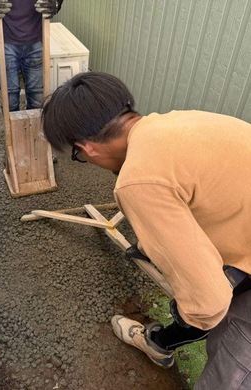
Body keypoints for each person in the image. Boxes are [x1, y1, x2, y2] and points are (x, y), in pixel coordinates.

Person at [41, 71, 251, 389]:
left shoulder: (137, 181)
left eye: (77, 156)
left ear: (86, 148)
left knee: (227, 359)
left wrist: (187, 310)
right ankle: (160, 344)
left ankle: (160, 342)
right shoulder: (183, 121)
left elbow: (209, 304)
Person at [0, 0, 64, 112]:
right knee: (10, 101)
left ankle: (34, 129)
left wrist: (56, 3)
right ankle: (12, 129)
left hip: (36, 37)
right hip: (4, 38)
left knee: (37, 102)